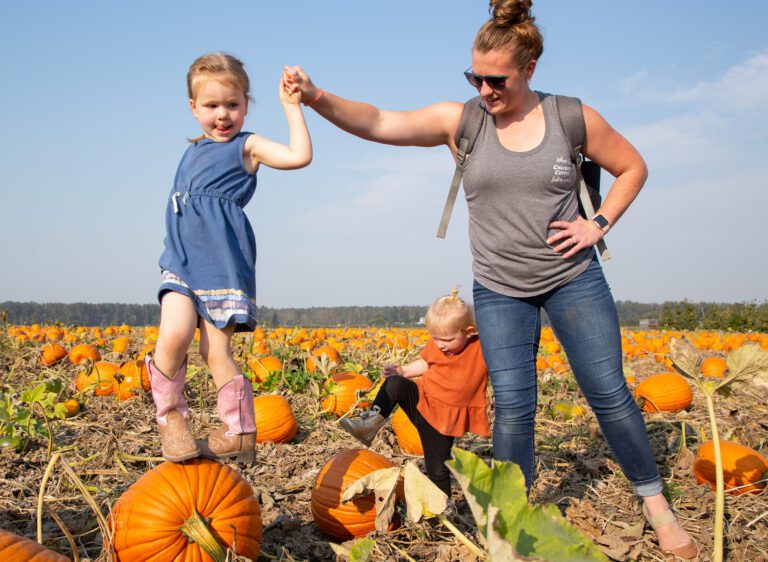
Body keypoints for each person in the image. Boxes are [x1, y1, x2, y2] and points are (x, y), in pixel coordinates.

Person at [282, 1, 696, 557]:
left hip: (573, 278)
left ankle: (655, 502)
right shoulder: (466, 121)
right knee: (516, 407)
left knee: (610, 395)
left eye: (496, 79)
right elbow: (381, 122)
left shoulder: (572, 117)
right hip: (499, 290)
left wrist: (597, 224)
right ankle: (509, 521)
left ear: (528, 69)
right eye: (474, 76)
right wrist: (317, 97)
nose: (485, 88)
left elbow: (633, 167)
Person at [147, 52, 312, 465]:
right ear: (193, 108)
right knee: (172, 336)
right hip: (181, 261)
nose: (223, 115)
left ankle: (239, 432)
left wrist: (292, 107)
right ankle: (172, 422)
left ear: (247, 104)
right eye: (211, 106)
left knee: (215, 352)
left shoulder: (248, 146)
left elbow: (299, 156)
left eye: (233, 105)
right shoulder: (192, 151)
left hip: (222, 265)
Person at [341, 289, 489, 496]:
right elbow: (426, 363)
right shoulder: (438, 346)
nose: (439, 345)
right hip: (422, 401)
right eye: (435, 338)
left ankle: (442, 510)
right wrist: (403, 371)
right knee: (395, 383)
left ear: (468, 331)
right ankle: (370, 423)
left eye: (446, 339)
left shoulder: (481, 348)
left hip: (443, 422)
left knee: (437, 469)